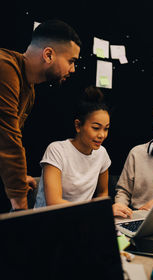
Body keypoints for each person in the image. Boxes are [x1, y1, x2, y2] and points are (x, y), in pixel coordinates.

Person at [0, 19, 81, 212]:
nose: (73, 69)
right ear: (48, 54)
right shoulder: (5, 68)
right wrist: (20, 204)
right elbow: (7, 139)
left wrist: (18, 179)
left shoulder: (29, 90)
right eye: (71, 61)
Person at [35, 86, 111, 207]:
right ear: (78, 126)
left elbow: (102, 192)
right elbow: (54, 202)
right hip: (49, 221)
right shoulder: (56, 150)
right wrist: (92, 213)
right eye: (96, 128)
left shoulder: (102, 153)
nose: (102, 135)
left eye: (106, 128)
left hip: (82, 221)